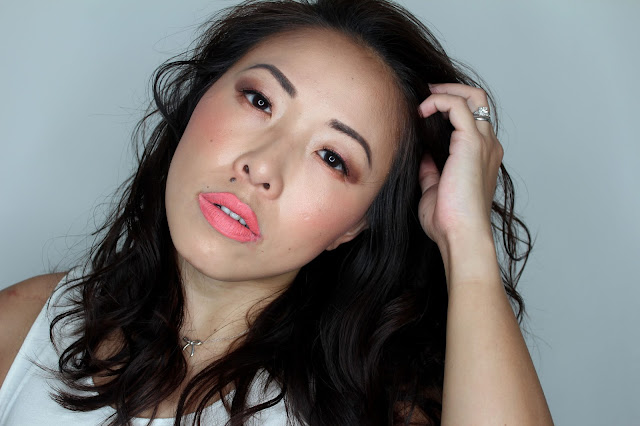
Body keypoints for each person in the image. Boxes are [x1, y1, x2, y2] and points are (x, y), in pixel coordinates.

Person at [0, 0, 553, 424]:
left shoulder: (381, 410)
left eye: (332, 158)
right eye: (260, 100)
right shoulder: (26, 324)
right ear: (198, 97)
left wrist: (467, 241)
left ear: (357, 225)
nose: (262, 166)